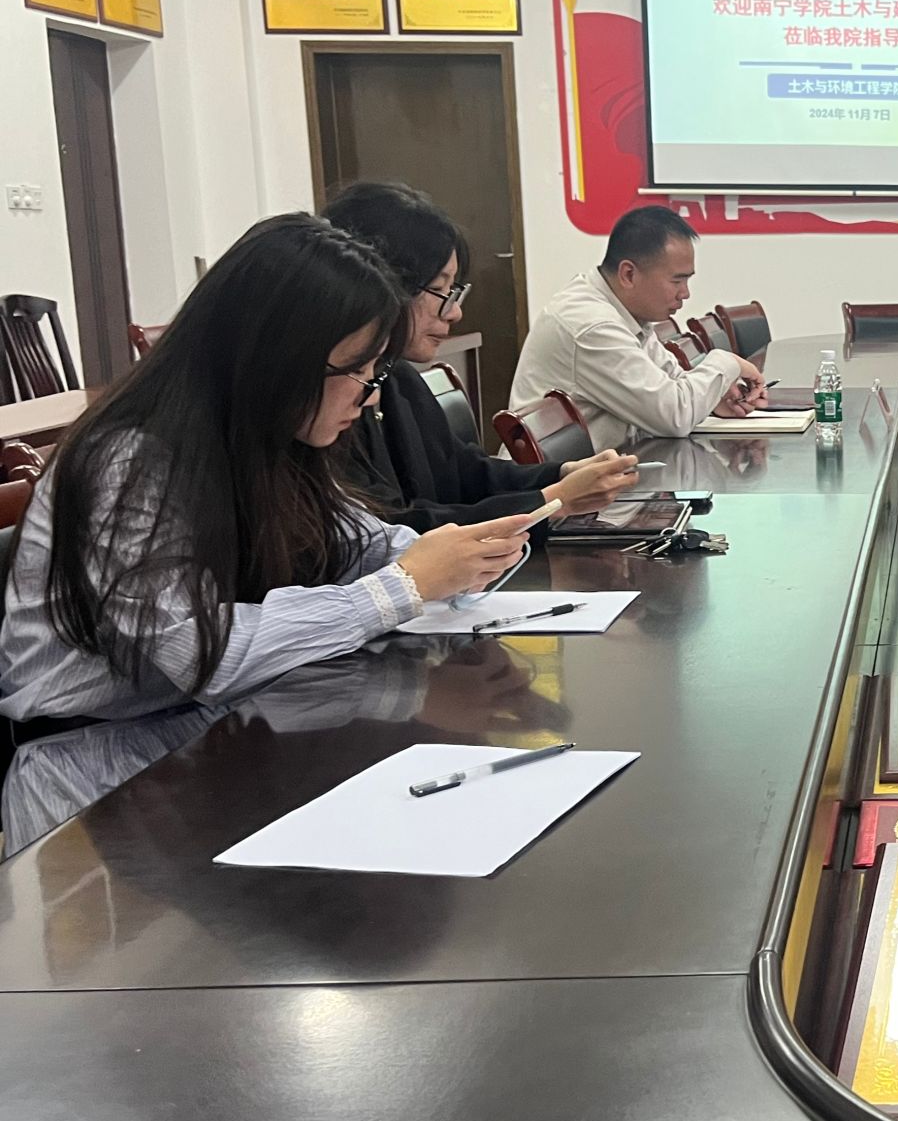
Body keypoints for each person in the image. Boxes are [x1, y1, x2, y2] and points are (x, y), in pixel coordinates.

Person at [0, 214, 536, 728]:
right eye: (357, 370)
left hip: (222, 724)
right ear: (278, 360)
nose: (371, 395)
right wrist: (405, 585)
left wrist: (454, 558)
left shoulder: (265, 437)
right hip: (100, 754)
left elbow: (356, 542)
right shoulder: (128, 462)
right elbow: (201, 653)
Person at [323, 181, 642, 532]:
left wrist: (561, 475)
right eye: (440, 290)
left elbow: (465, 471)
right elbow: (390, 531)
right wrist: (551, 501)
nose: (455, 312)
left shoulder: (399, 376)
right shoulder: (331, 398)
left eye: (454, 291)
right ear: (382, 284)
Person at [509, 206, 765, 453]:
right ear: (629, 274)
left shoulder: (623, 310)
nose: (685, 293)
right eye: (677, 280)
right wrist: (727, 362)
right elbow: (674, 416)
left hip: (607, 468)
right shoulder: (592, 326)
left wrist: (713, 400)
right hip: (561, 480)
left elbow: (673, 383)